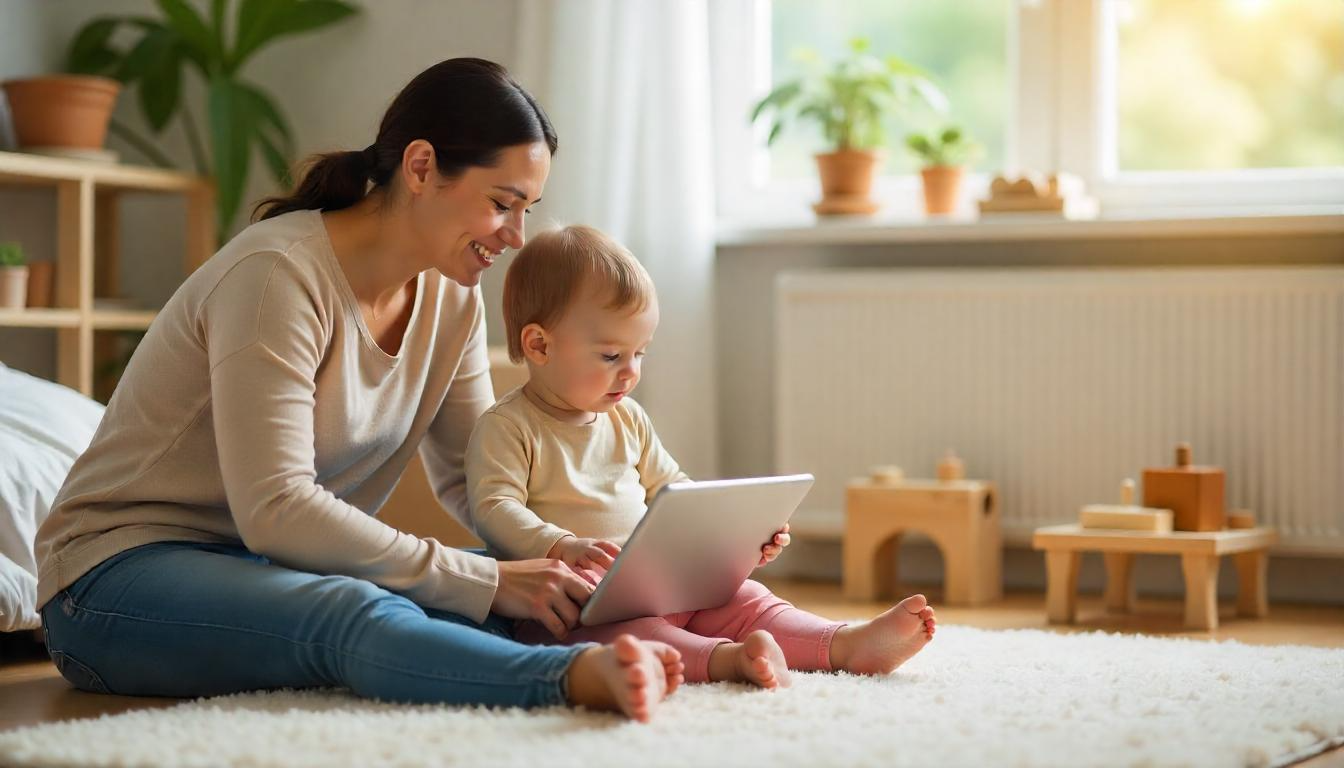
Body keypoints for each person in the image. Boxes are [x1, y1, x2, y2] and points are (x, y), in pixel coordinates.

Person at [34, 58, 682, 723]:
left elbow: (478, 476)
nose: (516, 237)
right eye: (501, 204)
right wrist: (483, 582)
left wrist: (563, 551)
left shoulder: (453, 300)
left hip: (272, 569)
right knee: (368, 608)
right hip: (112, 584)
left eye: (526, 211)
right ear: (422, 167)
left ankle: (681, 644)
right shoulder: (277, 275)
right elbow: (277, 508)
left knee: (500, 583)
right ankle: (565, 679)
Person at [466, 225, 938, 689]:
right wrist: (560, 544)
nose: (630, 373)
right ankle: (727, 661)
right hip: (571, 605)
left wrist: (735, 535)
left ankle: (844, 644)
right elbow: (494, 509)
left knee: (748, 600)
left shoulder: (627, 418)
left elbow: (676, 489)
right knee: (638, 637)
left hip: (656, 580)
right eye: (611, 356)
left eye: (640, 353)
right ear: (539, 345)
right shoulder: (508, 426)